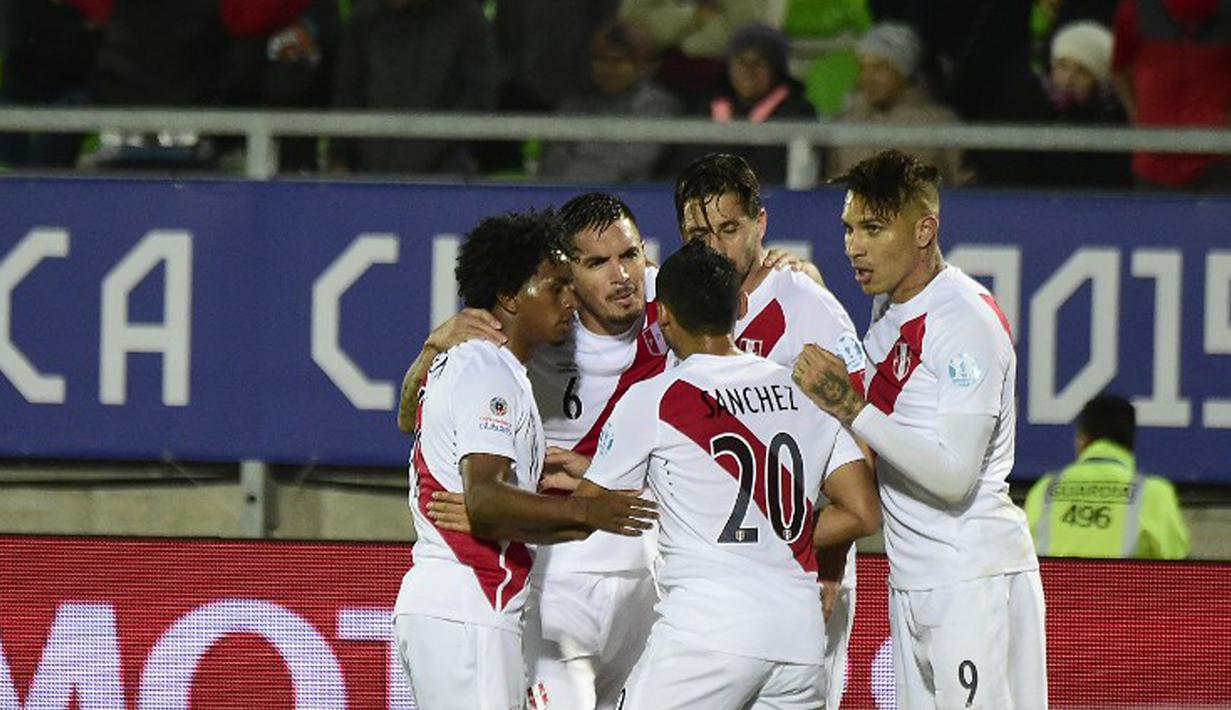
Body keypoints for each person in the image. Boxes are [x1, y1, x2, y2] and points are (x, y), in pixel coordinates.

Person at [400, 192, 815, 710]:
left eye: (630, 255)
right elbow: (420, 418)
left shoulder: (675, 303)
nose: (622, 275)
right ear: (566, 275)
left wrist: (797, 282)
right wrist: (430, 352)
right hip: (557, 580)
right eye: (597, 263)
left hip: (646, 576)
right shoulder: (517, 337)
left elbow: (748, 327)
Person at [576, 239, 881, 709]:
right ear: (741, 304)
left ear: (663, 317)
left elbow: (588, 507)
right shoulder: (802, 391)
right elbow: (863, 512)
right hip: (798, 642)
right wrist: (778, 538)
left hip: (707, 635)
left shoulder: (656, 398)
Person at [793, 149, 1047, 709]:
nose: (854, 245)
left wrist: (849, 406)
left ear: (925, 230)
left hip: (970, 577)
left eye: (874, 228)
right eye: (849, 228)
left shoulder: (964, 322)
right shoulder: (890, 306)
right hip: (915, 579)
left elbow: (956, 476)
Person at [392, 208, 657, 710]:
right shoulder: (484, 367)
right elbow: (487, 499)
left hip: (478, 604)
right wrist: (586, 512)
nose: (569, 299)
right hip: (468, 601)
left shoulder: (500, 369)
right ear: (511, 297)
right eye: (555, 287)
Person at [673, 152, 867, 709]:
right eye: (698, 233)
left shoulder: (811, 311)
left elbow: (853, 453)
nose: (714, 247)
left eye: (729, 229)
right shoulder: (674, 306)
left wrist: (827, 569)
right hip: (705, 574)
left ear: (761, 222)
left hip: (796, 571)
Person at [1024, 393, 1191, 559]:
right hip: (1125, 586)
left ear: (1082, 439)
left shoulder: (1044, 489)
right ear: (1130, 442)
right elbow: (1179, 565)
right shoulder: (1154, 494)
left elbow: (1017, 554)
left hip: (1052, 586)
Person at [539, 18, 681, 182]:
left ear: (642, 66)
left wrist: (581, 162)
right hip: (569, 196)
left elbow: (633, 163)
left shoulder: (659, 105)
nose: (607, 69)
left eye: (617, 61)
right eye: (600, 59)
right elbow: (552, 165)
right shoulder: (573, 105)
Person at [825, 22, 966, 186]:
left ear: (904, 72)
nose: (867, 78)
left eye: (879, 68)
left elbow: (960, 185)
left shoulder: (940, 123)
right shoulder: (846, 122)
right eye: (863, 67)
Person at [1110, 0, 1231, 192]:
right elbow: (1119, 69)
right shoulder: (1134, 8)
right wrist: (1137, 116)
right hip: (1152, 159)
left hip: (1217, 161)